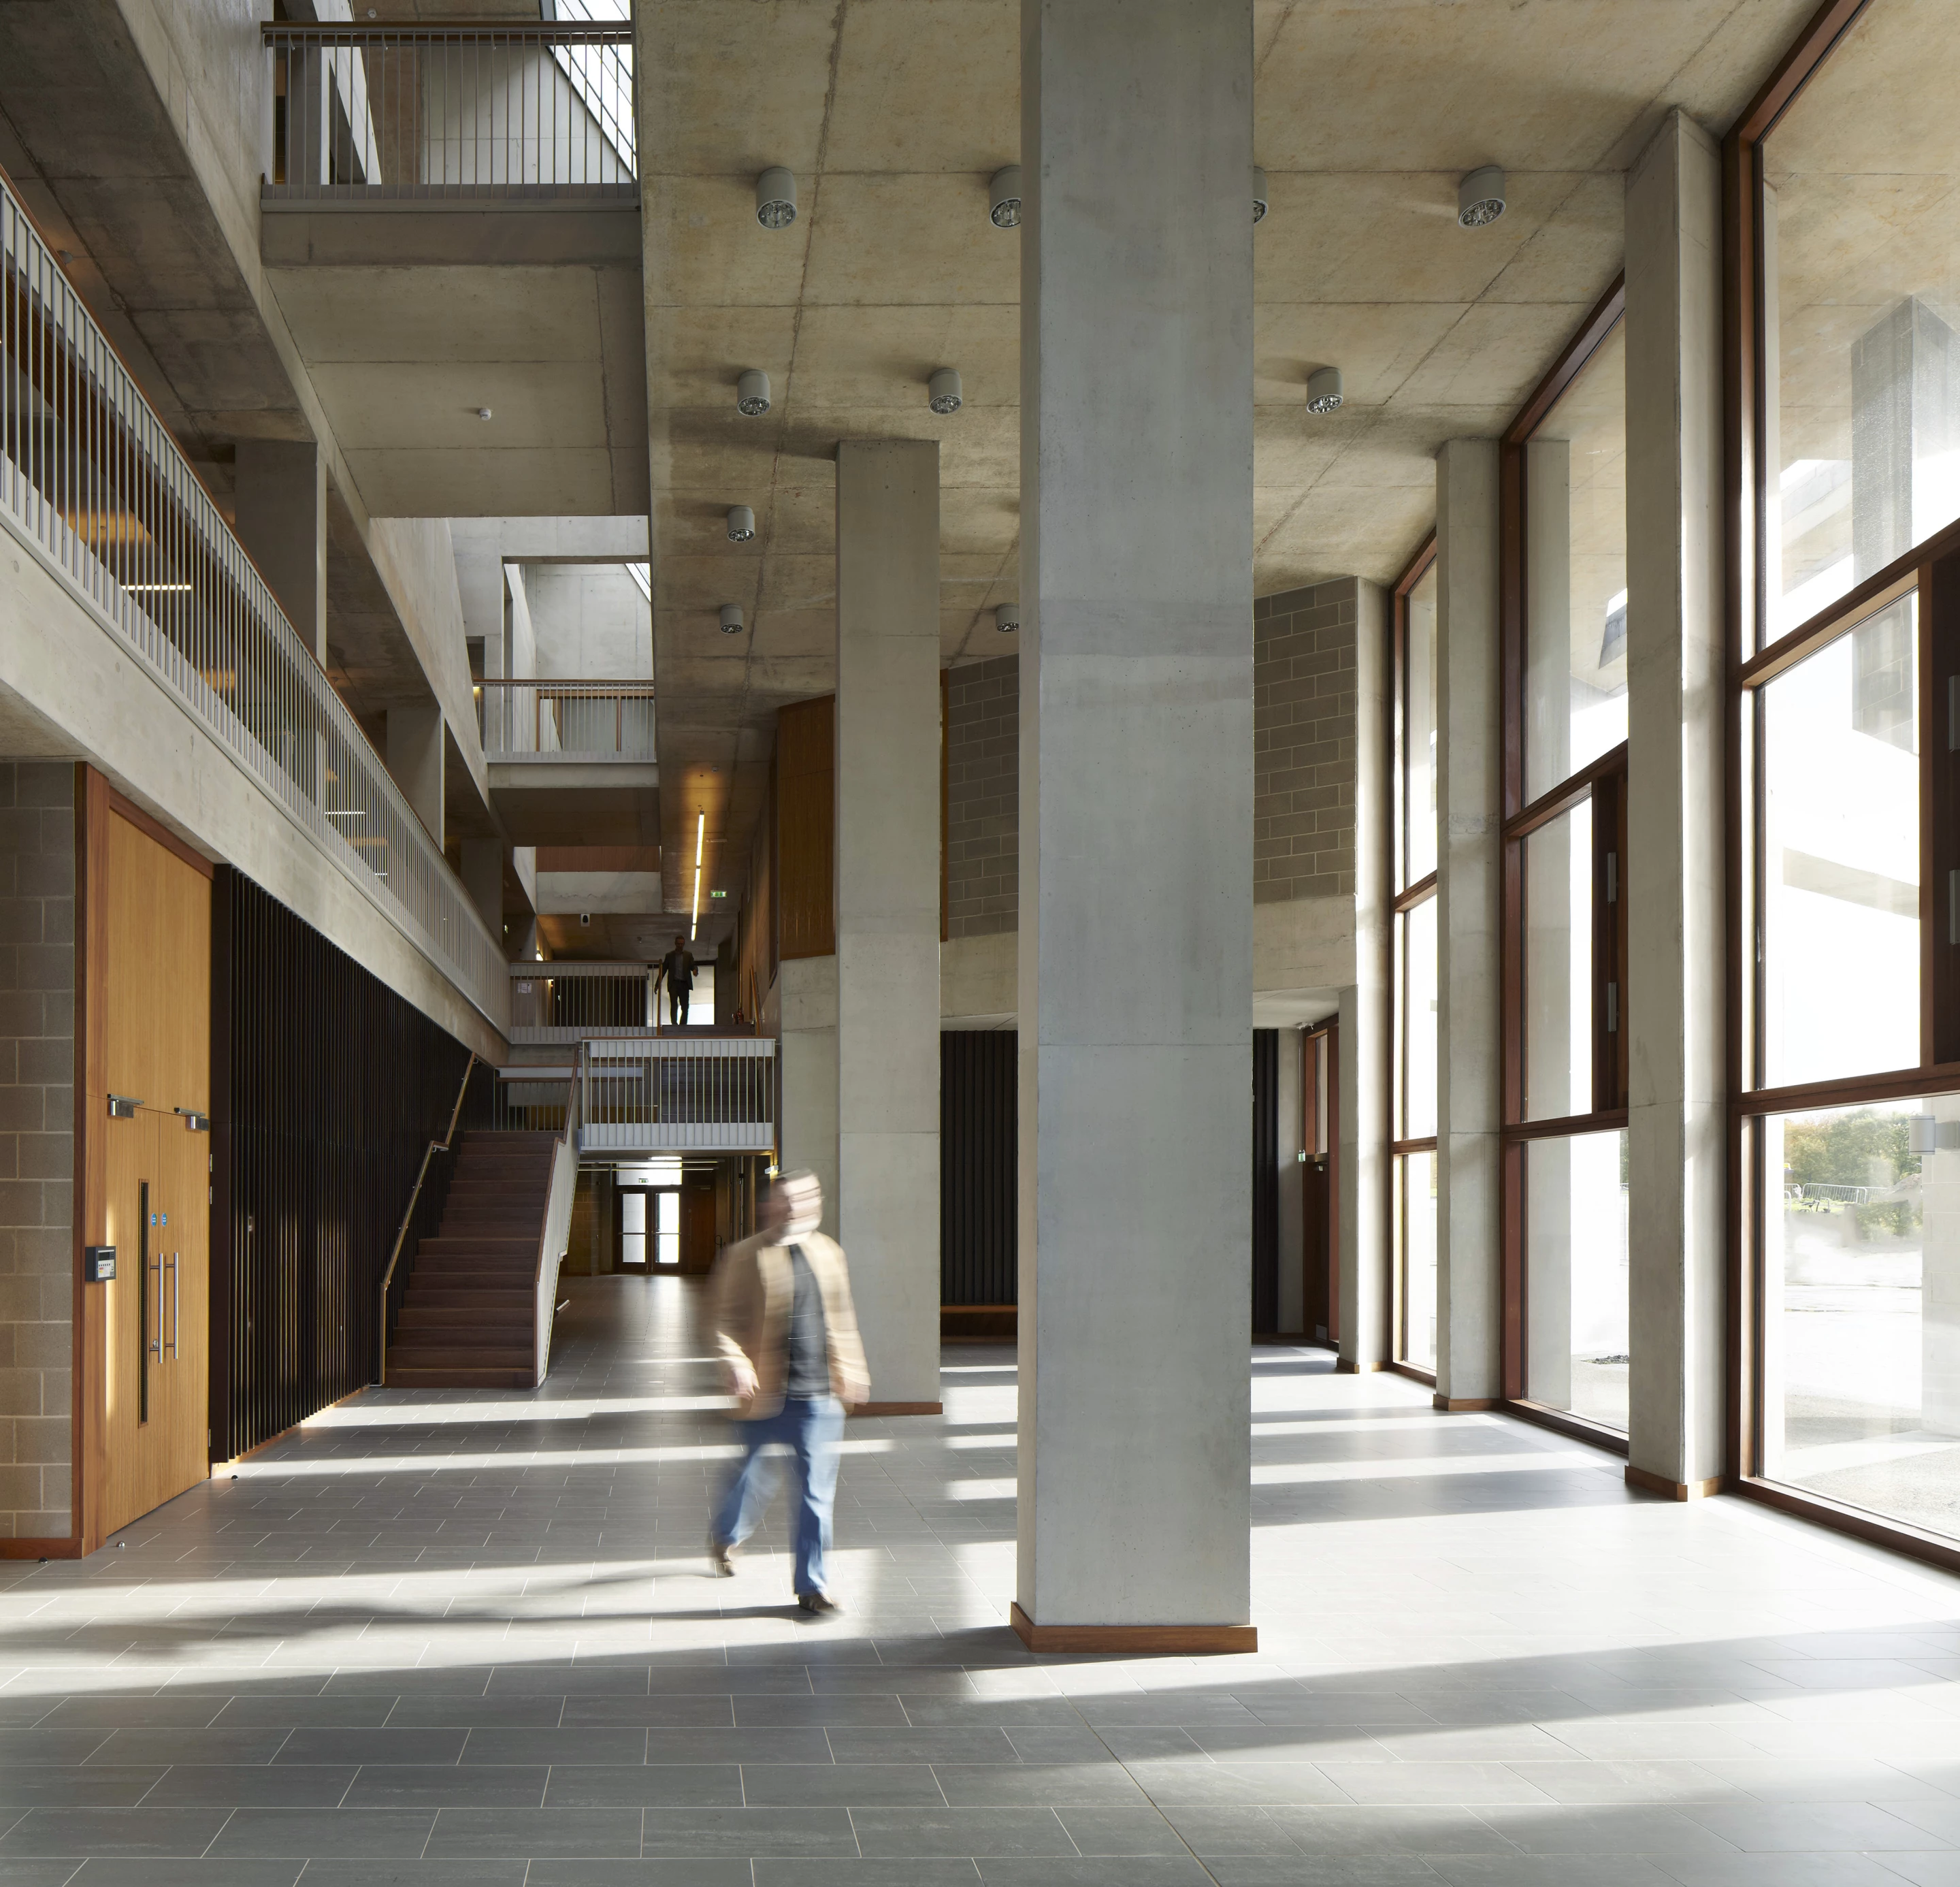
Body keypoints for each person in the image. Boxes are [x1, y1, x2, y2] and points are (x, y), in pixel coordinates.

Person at [706, 1168, 868, 1613]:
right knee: (750, 1478)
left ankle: (812, 1587)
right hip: (766, 1392)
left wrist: (852, 1368)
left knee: (815, 1495)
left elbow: (842, 1317)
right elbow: (724, 1321)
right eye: (787, 1200)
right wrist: (736, 1364)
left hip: (818, 1397)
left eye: (805, 1198)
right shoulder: (745, 1256)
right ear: (770, 1206)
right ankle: (726, 1535)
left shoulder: (829, 1252)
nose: (796, 1207)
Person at [657, 933, 696, 1028]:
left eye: (682, 944)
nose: (680, 946)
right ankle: (674, 1024)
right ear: (675, 944)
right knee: (674, 1005)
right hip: (674, 983)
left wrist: (695, 970)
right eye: (678, 944)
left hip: (684, 984)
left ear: (684, 944)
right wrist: (658, 984)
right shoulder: (670, 956)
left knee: (685, 1006)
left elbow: (693, 965)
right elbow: (664, 969)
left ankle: (683, 1025)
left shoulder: (688, 955)